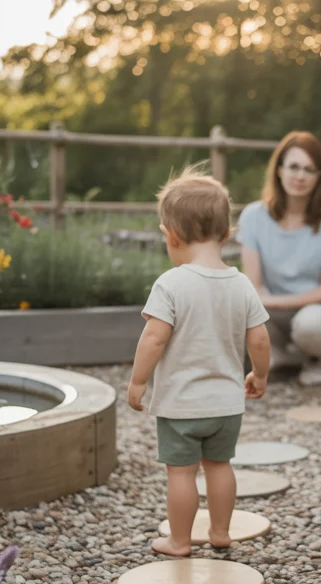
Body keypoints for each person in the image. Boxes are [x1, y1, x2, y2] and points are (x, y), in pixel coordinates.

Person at [126, 166, 271, 557]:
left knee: (182, 473)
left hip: (181, 406)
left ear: (171, 237)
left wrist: (138, 381)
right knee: (220, 466)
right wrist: (258, 373)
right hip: (227, 405)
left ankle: (180, 541)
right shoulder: (241, 284)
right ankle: (221, 532)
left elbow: (154, 338)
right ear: (225, 235)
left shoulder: (171, 284)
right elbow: (258, 337)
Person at [237, 131, 321, 386]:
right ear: (279, 170)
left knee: (309, 323)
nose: (300, 176)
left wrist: (273, 301)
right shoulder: (252, 217)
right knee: (240, 307)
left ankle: (316, 358)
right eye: (293, 166)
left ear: (320, 176)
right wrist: (263, 302)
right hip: (273, 316)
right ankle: (281, 355)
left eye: (309, 169)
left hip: (320, 314)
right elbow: (253, 287)